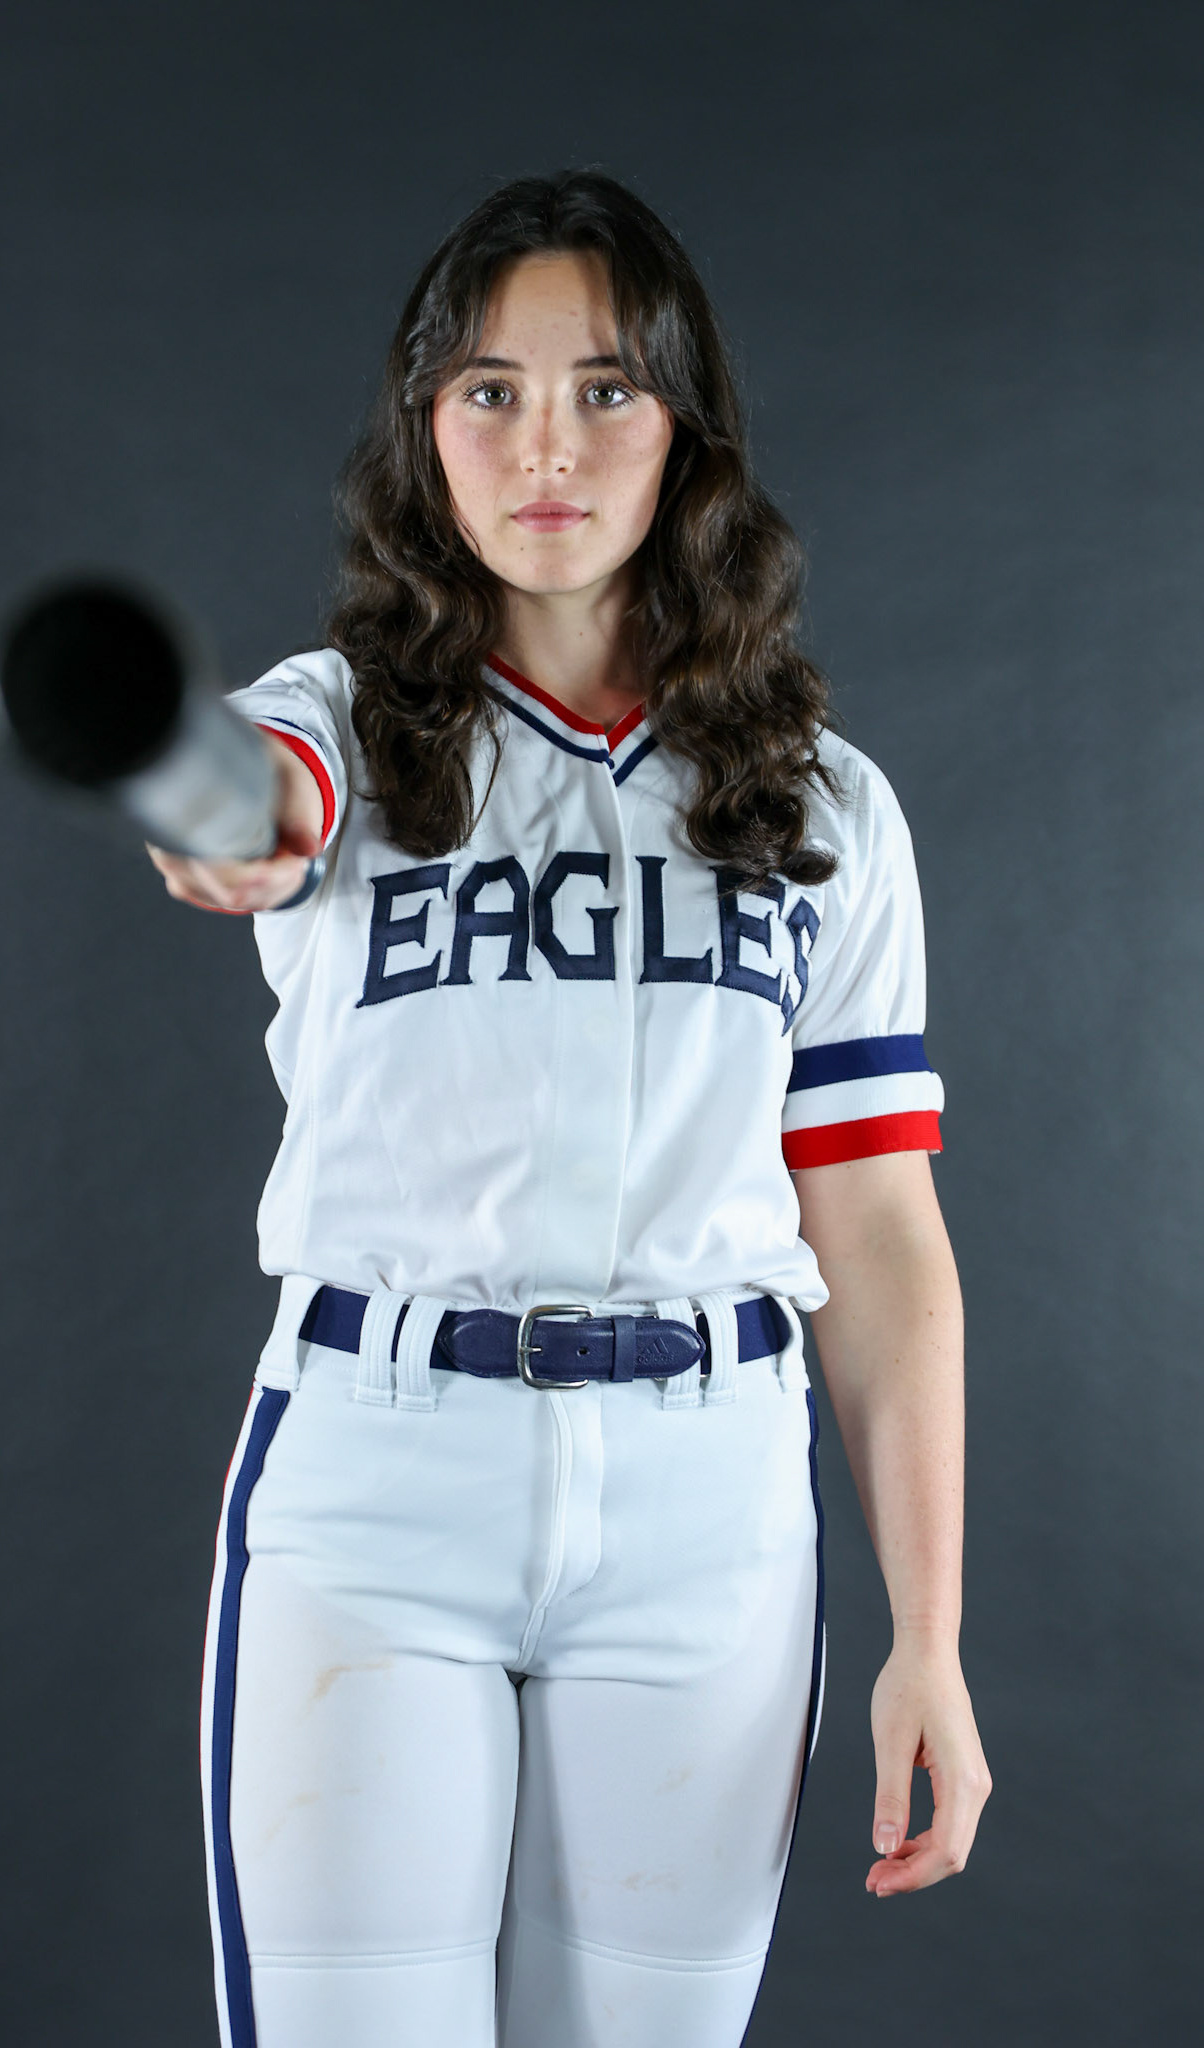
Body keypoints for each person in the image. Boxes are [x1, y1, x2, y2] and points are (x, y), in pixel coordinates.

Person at [147, 170, 991, 2048]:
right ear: (421, 428)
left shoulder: (823, 803)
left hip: (710, 1492)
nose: (547, 442)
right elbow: (243, 806)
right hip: (380, 1472)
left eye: (607, 388)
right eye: (489, 391)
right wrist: (191, 802)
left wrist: (924, 1636)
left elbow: (878, 1234)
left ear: (687, 427)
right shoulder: (343, 729)